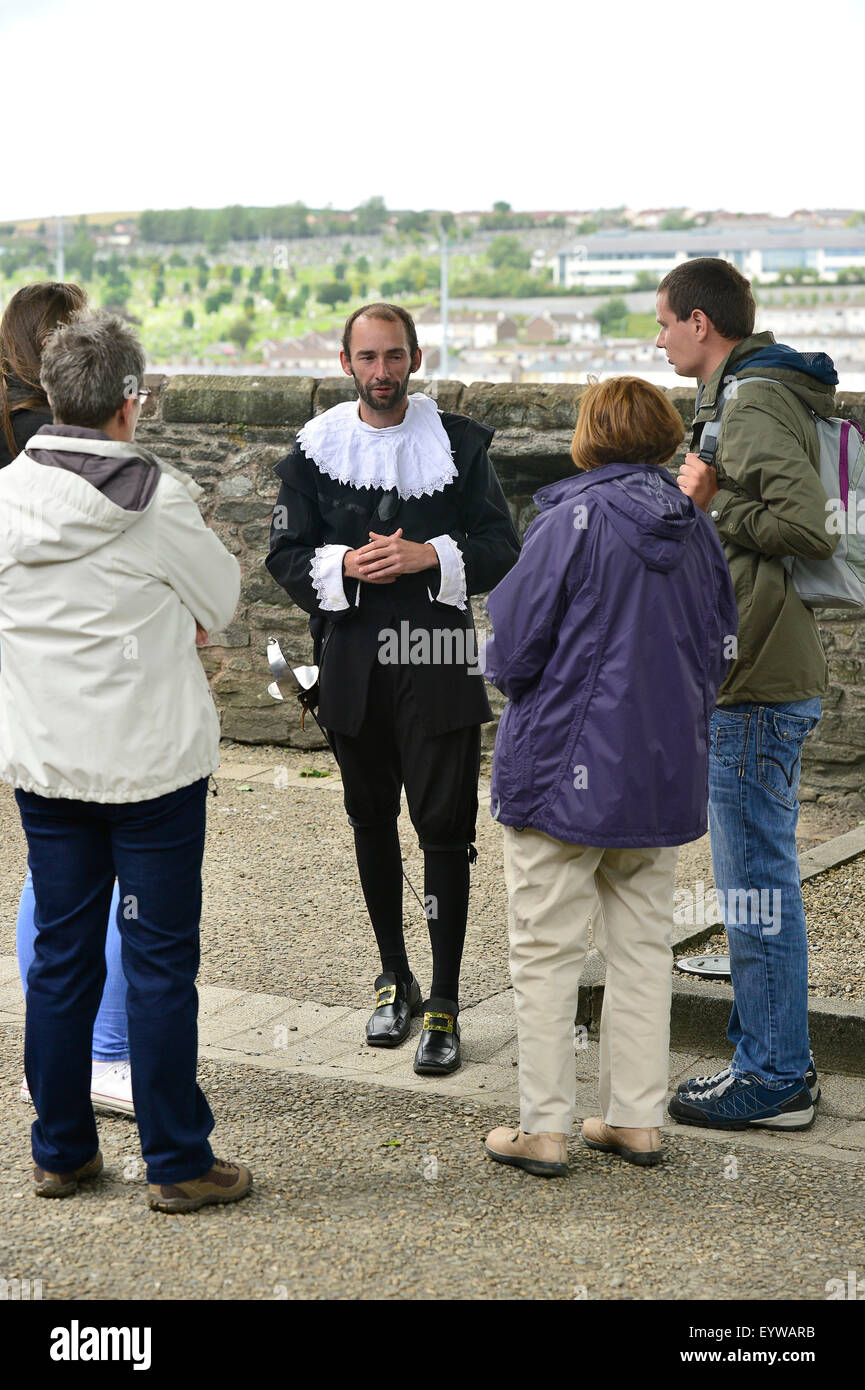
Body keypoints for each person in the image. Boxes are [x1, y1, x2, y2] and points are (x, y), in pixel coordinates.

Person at [0, 309, 249, 1213]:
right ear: (128, 406)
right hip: (151, 772)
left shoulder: (6, 496)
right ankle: (178, 1161)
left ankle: (61, 1151)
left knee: (61, 960)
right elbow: (219, 598)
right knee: (157, 964)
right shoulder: (159, 498)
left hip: (50, 768)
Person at [482, 376, 737, 1177]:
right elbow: (719, 649)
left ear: (590, 435)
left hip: (563, 766)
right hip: (660, 771)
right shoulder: (694, 530)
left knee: (545, 951)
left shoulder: (569, 521)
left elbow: (512, 648)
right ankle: (634, 1119)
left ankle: (544, 1128)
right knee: (640, 949)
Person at [266, 303, 519, 1073]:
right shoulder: (310, 454)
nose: (383, 372)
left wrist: (426, 558)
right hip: (349, 659)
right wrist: (342, 566)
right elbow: (284, 553)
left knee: (443, 830)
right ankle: (393, 979)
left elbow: (501, 547)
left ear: (415, 357)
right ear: (346, 363)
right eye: (368, 358)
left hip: (438, 657)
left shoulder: (462, 446)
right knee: (369, 820)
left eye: (395, 356)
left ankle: (443, 998)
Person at [657, 257, 835, 1131]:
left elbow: (803, 525)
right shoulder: (740, 392)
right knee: (753, 886)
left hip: (758, 681)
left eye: (663, 322)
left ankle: (774, 1077)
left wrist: (711, 503)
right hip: (756, 670)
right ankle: (765, 1057)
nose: (656, 338)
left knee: (755, 887)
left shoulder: (753, 398)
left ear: (700, 323)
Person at [1, 282, 133, 1116]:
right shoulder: (47, 443)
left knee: (48, 871)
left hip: (28, 677)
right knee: (109, 870)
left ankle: (49, 1053)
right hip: (81, 679)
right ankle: (104, 1055)